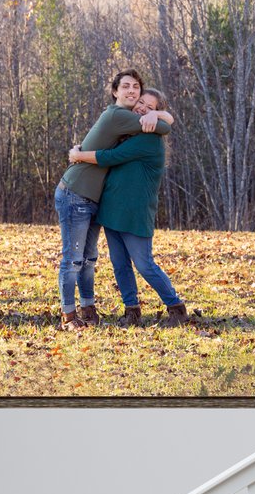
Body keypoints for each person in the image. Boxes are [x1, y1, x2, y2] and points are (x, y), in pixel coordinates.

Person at [70, 86, 200, 326]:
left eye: (150, 108)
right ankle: (131, 311)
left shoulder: (150, 140)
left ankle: (176, 308)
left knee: (144, 264)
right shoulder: (130, 131)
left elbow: (110, 157)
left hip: (135, 214)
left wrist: (79, 156)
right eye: (141, 103)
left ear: (157, 113)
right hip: (112, 210)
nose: (142, 108)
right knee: (120, 265)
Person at [53, 68, 170, 329]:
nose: (132, 91)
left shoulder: (128, 124)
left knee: (88, 259)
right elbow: (164, 127)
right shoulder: (119, 116)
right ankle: (69, 316)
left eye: (136, 87)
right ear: (115, 91)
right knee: (73, 259)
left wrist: (156, 112)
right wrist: (159, 115)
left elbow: (160, 124)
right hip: (76, 193)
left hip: (92, 198)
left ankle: (88, 309)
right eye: (126, 87)